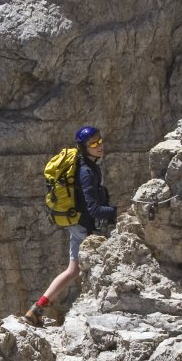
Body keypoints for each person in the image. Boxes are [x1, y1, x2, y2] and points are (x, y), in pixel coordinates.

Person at [21, 126, 116, 325]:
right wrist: (118, 212)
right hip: (87, 229)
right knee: (105, 267)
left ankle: (36, 309)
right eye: (93, 143)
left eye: (100, 141)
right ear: (84, 147)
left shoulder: (85, 166)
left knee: (72, 271)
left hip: (77, 226)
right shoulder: (86, 172)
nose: (99, 146)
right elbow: (94, 209)